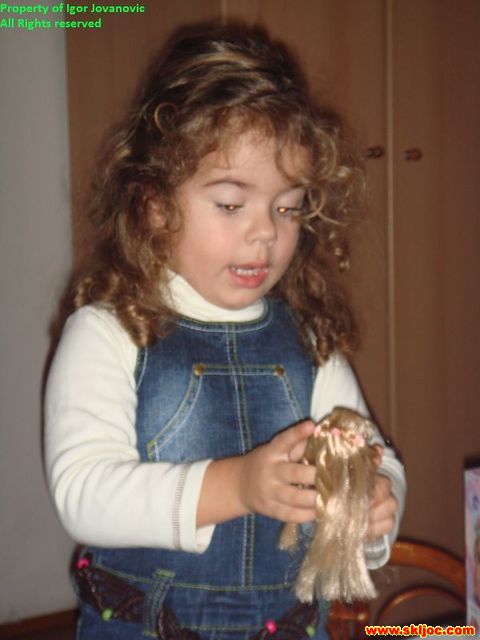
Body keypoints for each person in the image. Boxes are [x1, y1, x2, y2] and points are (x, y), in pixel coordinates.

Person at [44, 23, 406, 640]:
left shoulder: (309, 342)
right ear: (155, 204)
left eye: (287, 207)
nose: (265, 232)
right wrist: (234, 486)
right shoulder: (108, 330)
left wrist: (374, 502)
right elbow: (83, 493)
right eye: (232, 203)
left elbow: (376, 453)